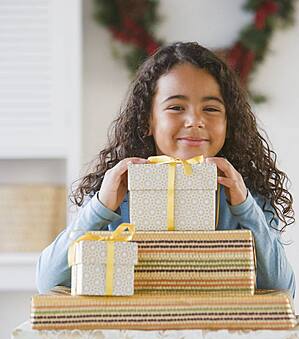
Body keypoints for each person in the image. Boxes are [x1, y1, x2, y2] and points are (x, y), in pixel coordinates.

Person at [36, 42, 296, 297]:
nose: (195, 120)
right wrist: (100, 208)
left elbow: (283, 289)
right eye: (176, 107)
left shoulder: (245, 198)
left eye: (211, 109)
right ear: (148, 120)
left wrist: (245, 207)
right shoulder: (117, 196)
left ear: (230, 123)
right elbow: (48, 281)